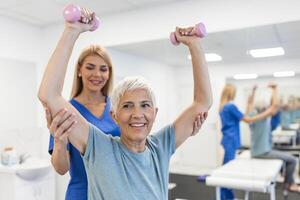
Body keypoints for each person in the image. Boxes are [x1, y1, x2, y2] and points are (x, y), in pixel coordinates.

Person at [38, 9, 212, 200]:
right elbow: (49, 94)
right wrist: (72, 30)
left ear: (155, 113)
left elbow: (202, 103)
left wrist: (195, 45)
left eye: (145, 105)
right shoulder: (100, 146)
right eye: (128, 106)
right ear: (114, 115)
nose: (137, 113)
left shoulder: (161, 145)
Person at [45, 43, 121, 200]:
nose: (97, 74)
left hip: (116, 193)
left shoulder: (118, 107)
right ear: (79, 70)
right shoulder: (66, 110)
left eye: (103, 69)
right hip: (82, 194)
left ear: (109, 73)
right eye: (90, 67)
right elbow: (61, 169)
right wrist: (59, 141)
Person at [218, 84, 283, 200]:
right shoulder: (230, 106)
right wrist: (265, 115)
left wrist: (252, 93)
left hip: (228, 139)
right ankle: (226, 198)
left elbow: (247, 112)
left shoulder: (223, 107)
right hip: (231, 140)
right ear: (231, 93)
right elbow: (247, 119)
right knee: (227, 171)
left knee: (226, 169)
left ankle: (228, 196)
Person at [248, 85, 300, 194]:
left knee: (286, 157)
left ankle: (289, 181)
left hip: (258, 150)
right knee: (292, 160)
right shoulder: (263, 116)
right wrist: (274, 90)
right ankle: (289, 185)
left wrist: (253, 92)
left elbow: (249, 104)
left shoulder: (252, 115)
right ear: (264, 108)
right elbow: (275, 105)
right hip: (262, 152)